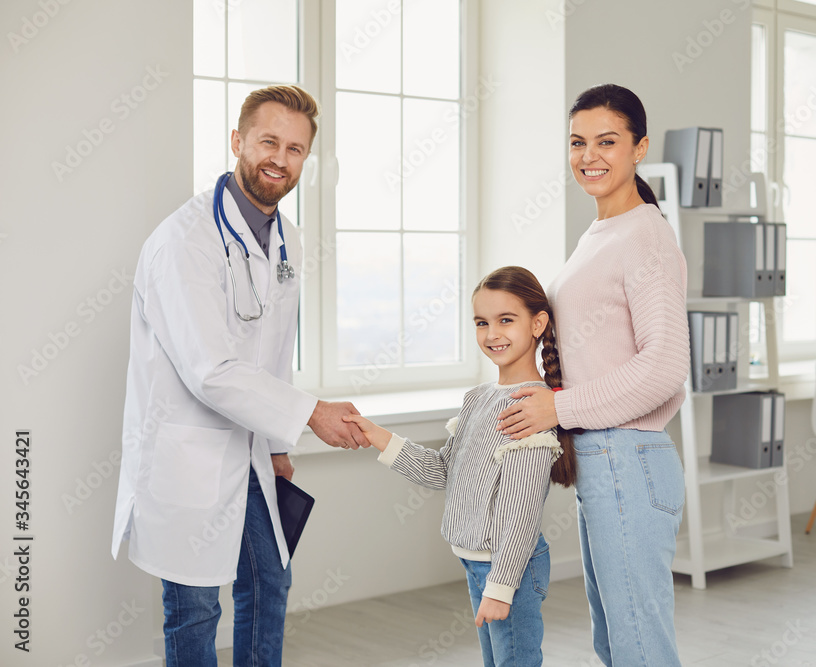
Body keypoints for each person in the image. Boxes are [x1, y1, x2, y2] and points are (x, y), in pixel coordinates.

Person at [111, 85, 368, 667]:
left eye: (296, 148)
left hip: (251, 449)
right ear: (238, 141)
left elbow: (274, 349)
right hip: (188, 456)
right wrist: (310, 415)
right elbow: (212, 371)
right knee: (196, 610)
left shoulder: (287, 239)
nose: (280, 158)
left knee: (269, 584)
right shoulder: (184, 241)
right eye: (268, 141)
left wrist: (278, 446)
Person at [495, 84, 690, 666]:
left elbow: (664, 367)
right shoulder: (603, 233)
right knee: (618, 643)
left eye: (607, 141)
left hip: (627, 460)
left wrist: (559, 408)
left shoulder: (644, 235)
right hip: (605, 463)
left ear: (640, 148)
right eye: (578, 142)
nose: (589, 155)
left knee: (637, 647)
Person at [343, 266, 576, 667]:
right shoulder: (479, 399)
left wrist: (501, 587)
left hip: (510, 565)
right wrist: (375, 434)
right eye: (481, 322)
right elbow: (441, 471)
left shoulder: (532, 408)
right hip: (477, 562)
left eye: (506, 320)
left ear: (538, 324)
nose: (492, 334)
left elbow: (518, 513)